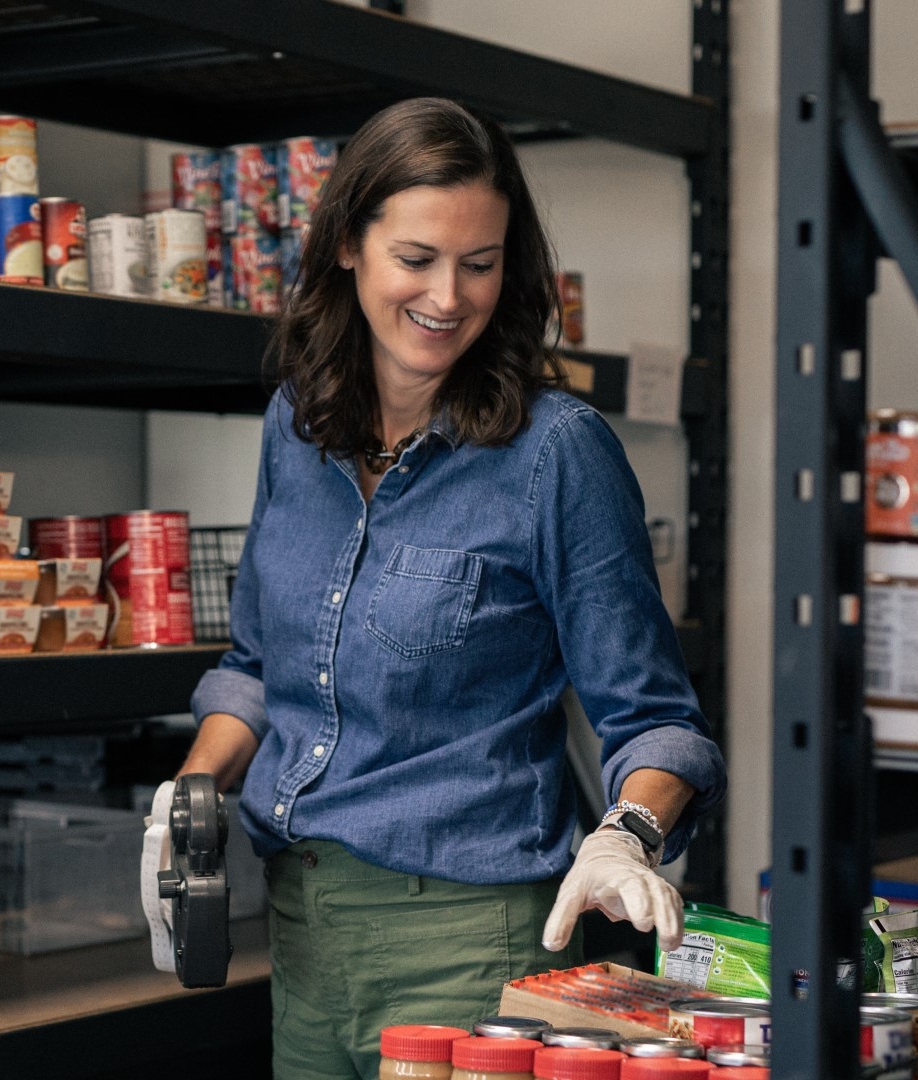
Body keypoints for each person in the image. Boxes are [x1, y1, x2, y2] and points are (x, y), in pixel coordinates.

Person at [177, 97, 726, 1080]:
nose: (449, 296)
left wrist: (626, 832)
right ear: (349, 243)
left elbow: (658, 721)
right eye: (419, 258)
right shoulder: (292, 427)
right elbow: (259, 668)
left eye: (481, 264)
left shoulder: (555, 453)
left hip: (471, 949)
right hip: (301, 938)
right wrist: (191, 788)